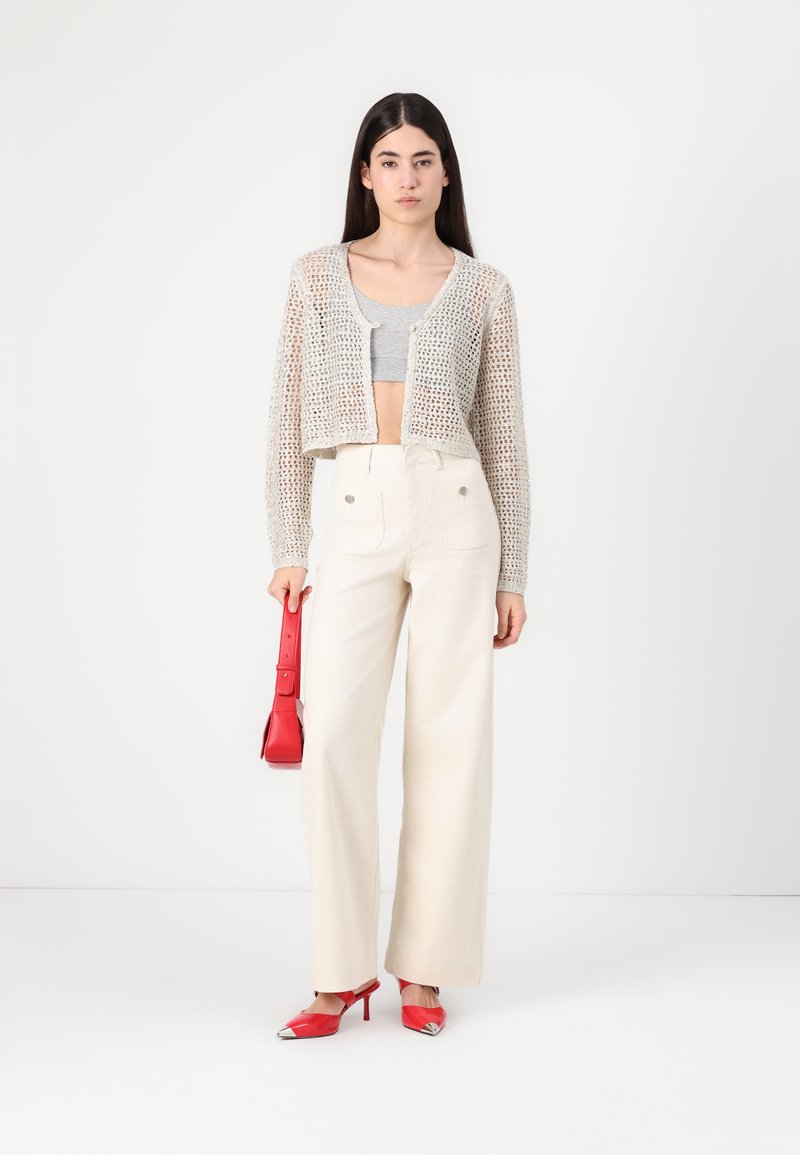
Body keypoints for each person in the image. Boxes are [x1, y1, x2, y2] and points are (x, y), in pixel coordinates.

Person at [265, 92, 531, 1039]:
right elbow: (285, 420)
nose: (407, 177)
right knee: (336, 738)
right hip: (355, 507)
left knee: (450, 743)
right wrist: (288, 545)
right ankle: (338, 974)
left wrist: (514, 572)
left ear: (445, 172)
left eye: (423, 159)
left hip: (458, 512)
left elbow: (503, 436)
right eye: (390, 160)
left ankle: (424, 966)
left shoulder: (484, 288)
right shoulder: (315, 276)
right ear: (365, 174)